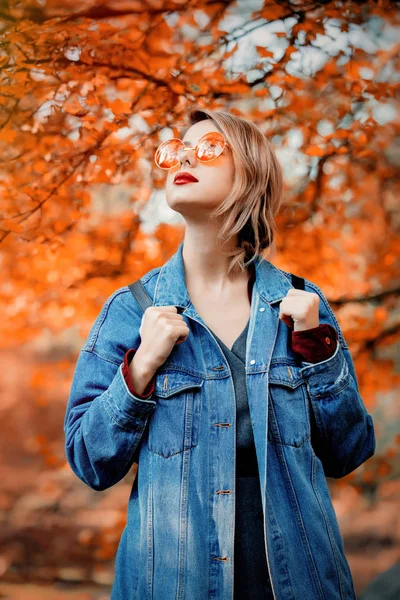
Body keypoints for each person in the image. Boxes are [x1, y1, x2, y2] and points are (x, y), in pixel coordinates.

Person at [64, 108, 376, 600]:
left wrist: (318, 350)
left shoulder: (302, 306)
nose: (184, 157)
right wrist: (141, 366)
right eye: (176, 151)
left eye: (209, 148)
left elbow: (349, 452)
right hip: (173, 584)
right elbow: (89, 460)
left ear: (250, 173)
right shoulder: (131, 311)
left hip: (303, 580)